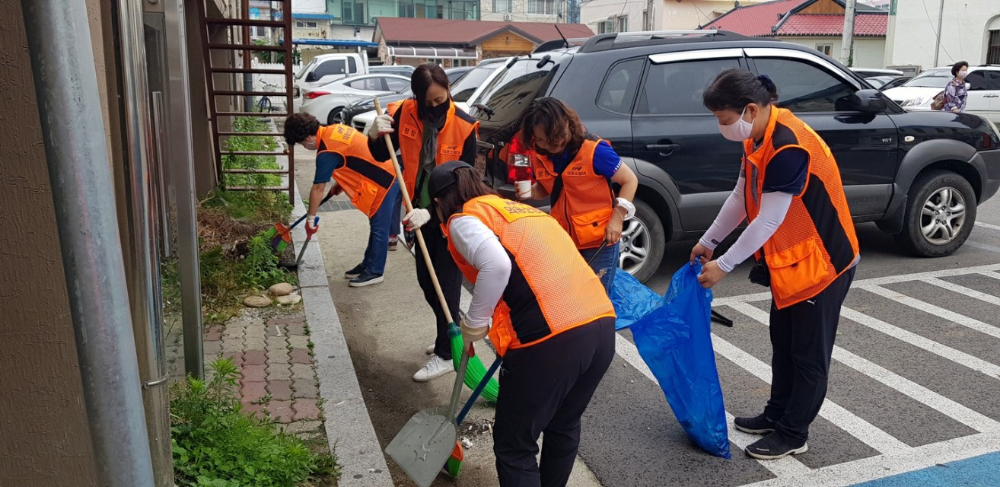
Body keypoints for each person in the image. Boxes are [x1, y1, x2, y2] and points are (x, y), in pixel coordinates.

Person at [690, 69, 860, 460]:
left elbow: (769, 218)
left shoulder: (788, 145)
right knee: (783, 344)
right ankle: (776, 414)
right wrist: (708, 241)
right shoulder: (757, 136)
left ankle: (793, 433)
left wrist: (725, 264)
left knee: (808, 353)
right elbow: (740, 194)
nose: (722, 128)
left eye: (725, 120)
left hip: (824, 264)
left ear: (750, 109)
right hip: (792, 261)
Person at [416, 160, 615, 487]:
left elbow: (496, 265)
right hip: (600, 325)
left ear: (439, 202)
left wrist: (474, 324)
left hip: (549, 338)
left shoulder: (463, 218)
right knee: (563, 426)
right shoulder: (521, 211)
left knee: (514, 446)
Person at [367, 63, 479, 381]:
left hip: (449, 215)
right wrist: (375, 132)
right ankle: (447, 334)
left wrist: (435, 211)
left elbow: (466, 180)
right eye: (427, 102)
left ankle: (446, 353)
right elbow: (380, 153)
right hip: (416, 212)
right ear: (416, 97)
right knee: (428, 283)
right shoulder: (405, 113)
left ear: (448, 93)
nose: (434, 107)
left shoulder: (465, 126)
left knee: (446, 285)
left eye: (440, 100)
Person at [517, 97, 639, 293]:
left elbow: (630, 180)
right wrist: (531, 191)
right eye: (540, 139)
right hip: (563, 240)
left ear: (566, 125)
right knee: (570, 297)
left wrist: (617, 218)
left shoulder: (595, 151)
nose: (548, 145)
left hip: (598, 241)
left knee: (596, 299)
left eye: (553, 138)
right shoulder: (540, 154)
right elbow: (548, 188)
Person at [283, 113, 399, 287]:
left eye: (301, 143)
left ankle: (375, 271)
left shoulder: (326, 151)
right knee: (376, 226)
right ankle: (368, 264)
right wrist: (342, 183)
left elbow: (318, 188)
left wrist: (310, 219)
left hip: (384, 179)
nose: (304, 146)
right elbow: (354, 156)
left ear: (307, 138)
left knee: (379, 227)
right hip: (387, 170)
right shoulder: (334, 130)